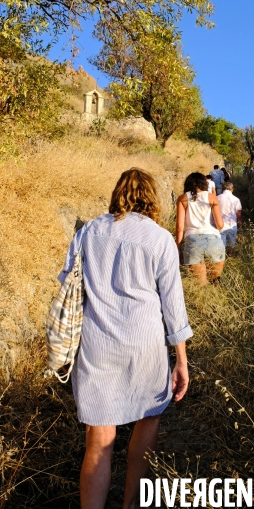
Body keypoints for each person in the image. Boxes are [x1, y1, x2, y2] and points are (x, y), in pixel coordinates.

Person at [57, 168, 192, 509]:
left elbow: (67, 285)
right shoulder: (160, 239)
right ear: (151, 199)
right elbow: (173, 307)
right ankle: (131, 503)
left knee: (99, 439)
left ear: (118, 194)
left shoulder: (89, 231)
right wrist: (181, 360)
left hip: (97, 345)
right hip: (145, 347)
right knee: (147, 421)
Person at [176, 172, 225, 285]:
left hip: (192, 241)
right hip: (213, 240)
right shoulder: (211, 197)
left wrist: (178, 247)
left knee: (201, 286)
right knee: (215, 282)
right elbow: (219, 224)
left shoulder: (182, 199)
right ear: (204, 183)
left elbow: (179, 227)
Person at [218, 182, 243, 248]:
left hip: (220, 225)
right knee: (232, 246)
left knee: (221, 247)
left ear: (223, 189)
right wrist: (240, 228)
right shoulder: (236, 199)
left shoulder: (217, 198)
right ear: (232, 189)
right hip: (232, 225)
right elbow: (239, 215)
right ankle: (232, 256)